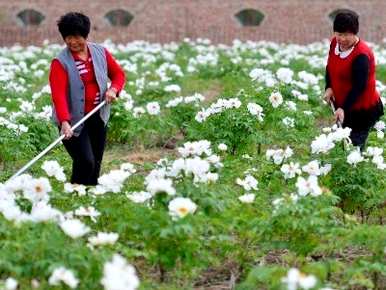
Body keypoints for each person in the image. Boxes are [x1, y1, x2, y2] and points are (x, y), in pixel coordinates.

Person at [49, 12, 125, 185]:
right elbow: (58, 95)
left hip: (98, 115)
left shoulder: (100, 52)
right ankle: (75, 194)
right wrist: (65, 121)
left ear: (85, 35)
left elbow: (118, 74)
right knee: (85, 161)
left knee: (95, 163)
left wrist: (114, 89)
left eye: (77, 37)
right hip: (73, 120)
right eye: (68, 37)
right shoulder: (60, 62)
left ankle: (89, 200)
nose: (72, 42)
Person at [324, 9, 383, 150]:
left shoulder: (361, 55)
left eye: (346, 35)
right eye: (339, 34)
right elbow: (330, 66)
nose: (342, 39)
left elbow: (359, 87)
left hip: (362, 111)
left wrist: (343, 108)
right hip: (344, 106)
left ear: (355, 33)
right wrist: (329, 86)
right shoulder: (334, 44)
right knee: (341, 146)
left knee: (354, 149)